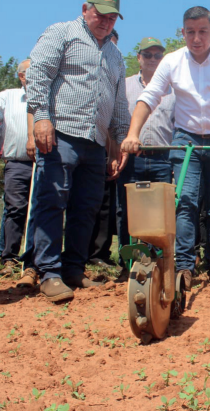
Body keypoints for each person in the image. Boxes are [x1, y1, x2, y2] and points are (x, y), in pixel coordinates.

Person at [121, 6, 210, 289]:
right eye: (190, 32)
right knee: (186, 203)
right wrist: (133, 133)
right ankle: (184, 265)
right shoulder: (172, 61)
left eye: (202, 32)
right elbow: (149, 97)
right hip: (186, 141)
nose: (196, 38)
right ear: (182, 33)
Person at [26, 0, 130, 302]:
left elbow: (119, 104)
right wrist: (42, 117)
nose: (107, 23)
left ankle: (74, 267)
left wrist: (118, 144)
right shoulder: (61, 33)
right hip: (60, 135)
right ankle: (48, 272)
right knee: (52, 199)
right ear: (86, 8)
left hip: (96, 142)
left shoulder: (115, 54)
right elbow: (38, 75)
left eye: (113, 18)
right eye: (101, 15)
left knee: (87, 208)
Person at [116, 36, 176, 276]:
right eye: (148, 55)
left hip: (163, 158)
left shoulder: (173, 89)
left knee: (160, 212)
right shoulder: (125, 85)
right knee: (127, 211)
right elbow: (118, 119)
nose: (153, 59)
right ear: (139, 58)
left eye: (158, 55)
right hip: (131, 159)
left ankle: (156, 261)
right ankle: (129, 263)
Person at [88, 27, 120, 268]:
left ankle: (99, 253)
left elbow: (117, 120)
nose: (110, 45)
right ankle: (79, 255)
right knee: (88, 202)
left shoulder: (116, 70)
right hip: (90, 143)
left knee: (107, 204)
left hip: (110, 151)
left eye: (114, 42)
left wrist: (114, 154)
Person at [0, 60, 33, 277]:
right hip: (17, 162)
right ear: (22, 76)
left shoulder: (50, 97)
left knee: (41, 212)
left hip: (45, 165)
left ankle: (33, 260)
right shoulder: (7, 96)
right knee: (15, 208)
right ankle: (8, 257)